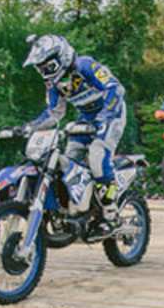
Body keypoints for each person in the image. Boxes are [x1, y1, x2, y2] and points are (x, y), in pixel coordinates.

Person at [22, 34, 125, 237]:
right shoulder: (54, 84)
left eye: (47, 66)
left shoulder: (85, 65)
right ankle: (78, 209)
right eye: (40, 68)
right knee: (68, 162)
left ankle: (110, 213)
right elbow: (54, 113)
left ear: (62, 57)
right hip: (85, 119)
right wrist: (29, 127)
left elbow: (115, 88)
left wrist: (105, 116)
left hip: (112, 113)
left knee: (97, 155)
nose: (44, 72)